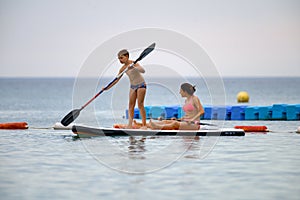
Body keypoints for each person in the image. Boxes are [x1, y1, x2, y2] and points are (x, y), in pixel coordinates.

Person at [104, 49, 147, 129]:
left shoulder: (134, 63)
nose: (120, 60)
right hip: (133, 87)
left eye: (121, 58)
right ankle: (130, 125)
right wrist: (107, 88)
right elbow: (116, 80)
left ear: (127, 56)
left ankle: (144, 125)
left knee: (140, 105)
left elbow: (143, 71)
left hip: (141, 85)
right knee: (131, 106)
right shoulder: (123, 68)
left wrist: (134, 66)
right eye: (119, 58)